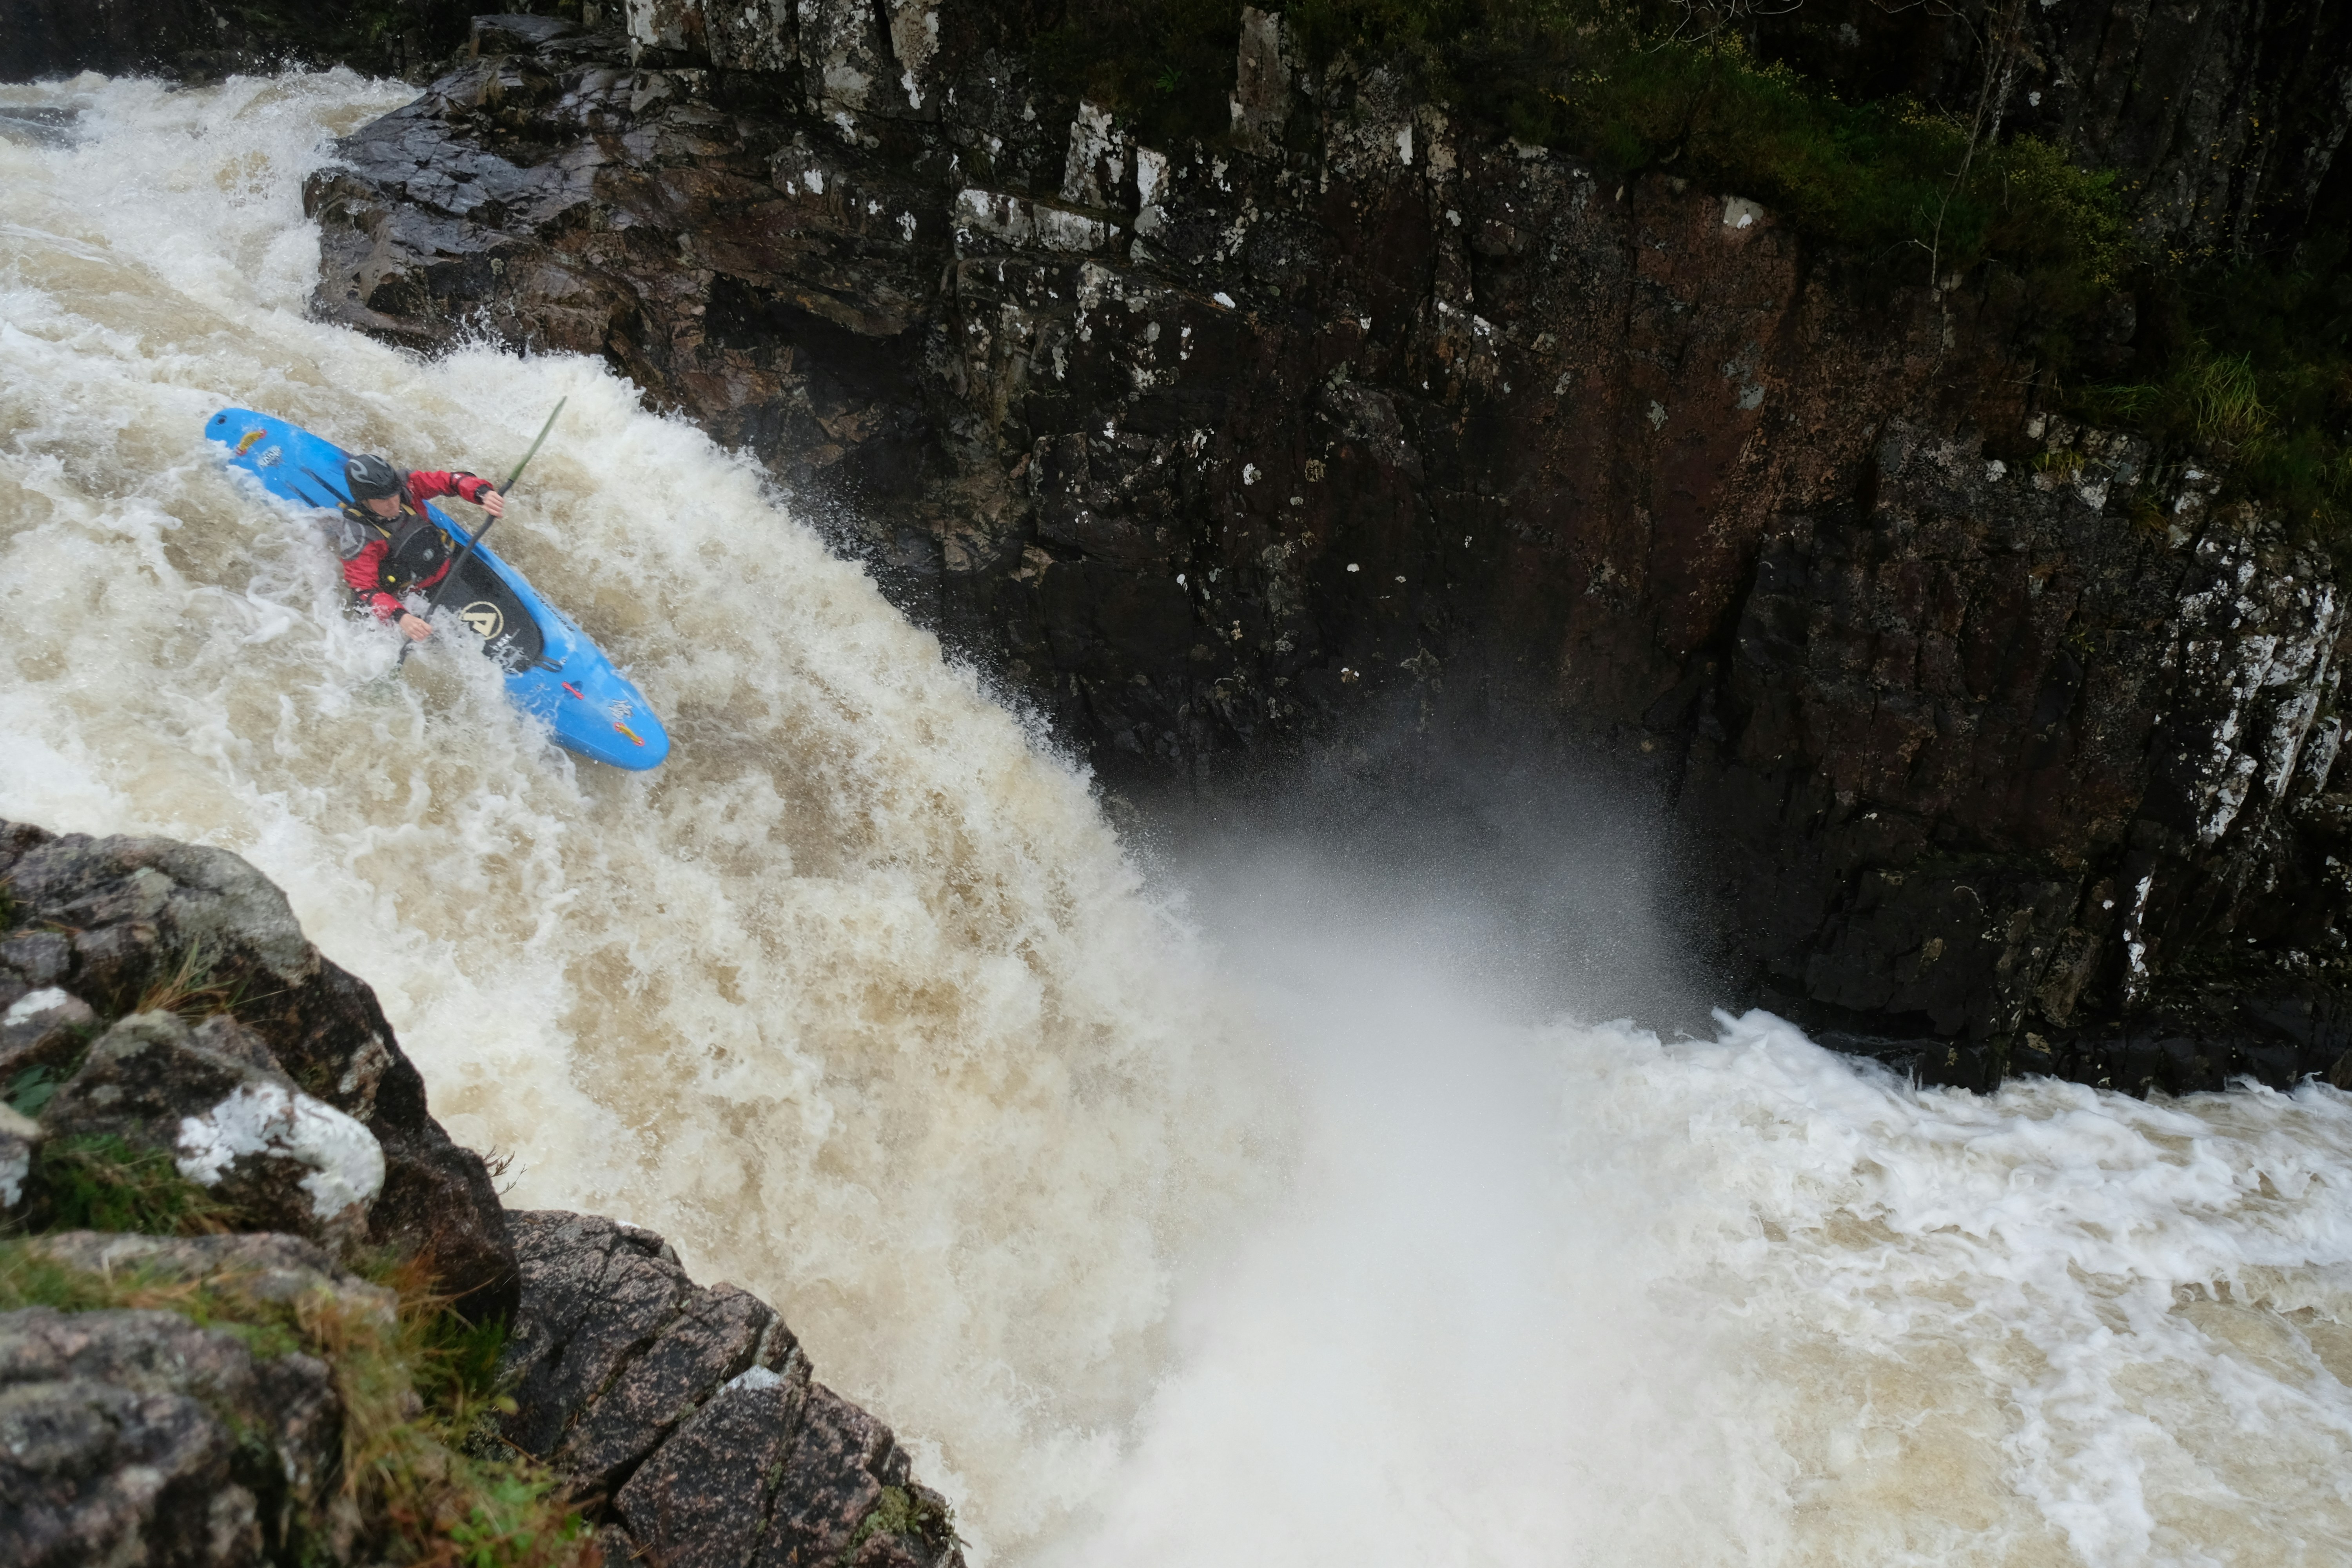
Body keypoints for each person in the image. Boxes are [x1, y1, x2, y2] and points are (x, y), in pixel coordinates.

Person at [332, 453, 505, 642]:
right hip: (414, 595)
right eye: (382, 501)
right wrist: (402, 617)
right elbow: (363, 592)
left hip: (445, 565)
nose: (393, 504)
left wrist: (482, 493)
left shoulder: (407, 486)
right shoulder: (358, 536)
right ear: (364, 500)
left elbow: (451, 481)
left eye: (394, 495)